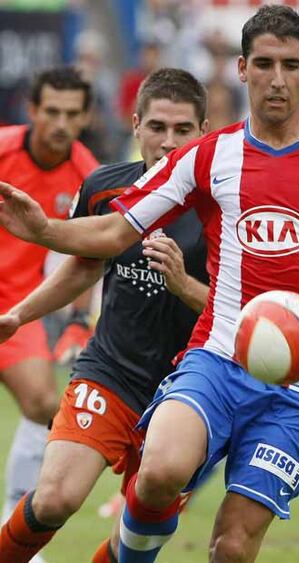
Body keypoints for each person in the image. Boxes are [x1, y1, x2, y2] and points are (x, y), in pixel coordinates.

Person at [0, 6, 299, 562]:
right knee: (157, 470)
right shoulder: (210, 156)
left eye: (290, 65)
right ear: (241, 69)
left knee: (232, 546)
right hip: (214, 359)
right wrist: (46, 228)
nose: (276, 79)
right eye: (263, 63)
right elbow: (117, 228)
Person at [0, 67, 209, 562]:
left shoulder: (223, 206)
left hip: (191, 389)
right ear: (135, 125)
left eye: (183, 130)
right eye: (157, 127)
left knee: (133, 539)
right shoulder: (103, 187)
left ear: (205, 132)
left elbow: (237, 311)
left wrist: (182, 285)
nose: (168, 142)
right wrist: (20, 315)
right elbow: (83, 268)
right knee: (54, 497)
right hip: (111, 372)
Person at [0, 66, 98, 562]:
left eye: (71, 113)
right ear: (33, 111)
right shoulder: (2, 150)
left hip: (16, 308)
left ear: (85, 118)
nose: (60, 122)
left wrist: (79, 320)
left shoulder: (87, 173)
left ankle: (13, 515)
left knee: (43, 403)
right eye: (51, 111)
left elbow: (91, 255)